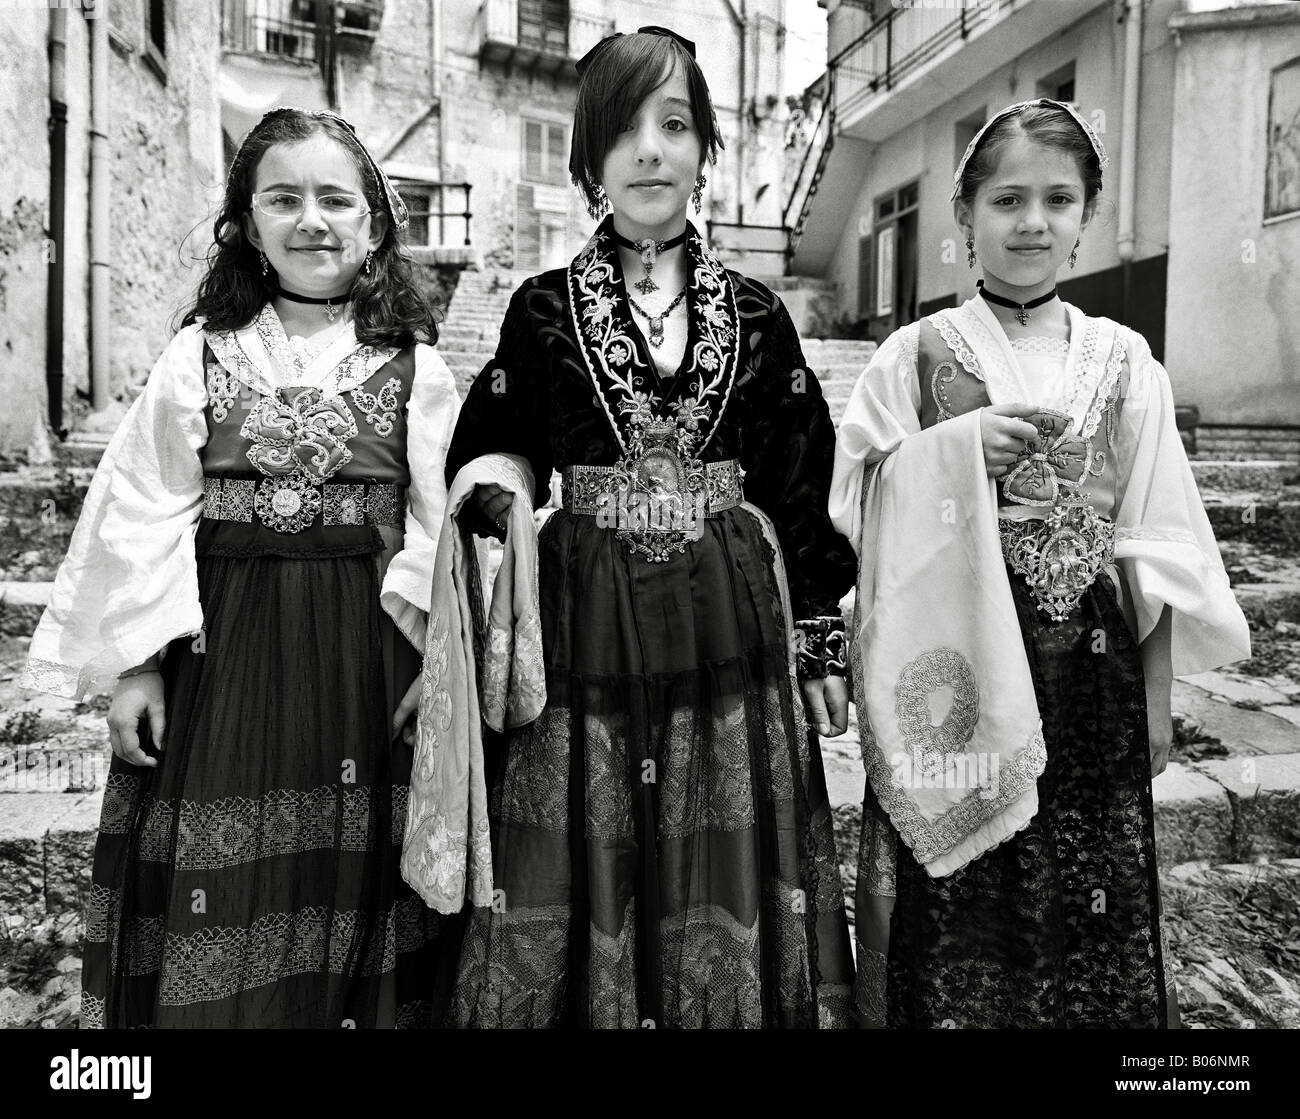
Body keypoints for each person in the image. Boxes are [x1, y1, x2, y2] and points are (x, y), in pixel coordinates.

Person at [438, 26, 857, 1028]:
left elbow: (800, 480)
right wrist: (501, 496)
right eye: (623, 128)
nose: (650, 150)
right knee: (589, 839)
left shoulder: (759, 316)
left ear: (705, 148)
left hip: (730, 621)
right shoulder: (538, 312)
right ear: (588, 158)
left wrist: (820, 642)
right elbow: (486, 447)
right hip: (586, 620)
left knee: (718, 841)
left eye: (675, 124)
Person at [21, 107, 461, 1028]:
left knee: (354, 872)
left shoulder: (415, 369)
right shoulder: (199, 355)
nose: (313, 220)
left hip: (365, 658)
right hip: (224, 661)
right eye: (284, 199)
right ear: (248, 224)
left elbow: (442, 523)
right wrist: (140, 662)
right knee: (220, 882)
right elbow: (143, 509)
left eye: (336, 199)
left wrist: (436, 656)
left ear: (374, 224)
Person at [830, 99, 1251, 1028]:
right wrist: (952, 452)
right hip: (964, 668)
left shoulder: (1126, 360)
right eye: (1008, 199)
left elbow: (1155, 536)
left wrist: (1153, 696)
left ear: (1085, 217)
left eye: (1058, 199)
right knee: (968, 885)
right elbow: (854, 498)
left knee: (1087, 879)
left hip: (1091, 674)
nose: (1032, 222)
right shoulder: (914, 356)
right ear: (965, 215)